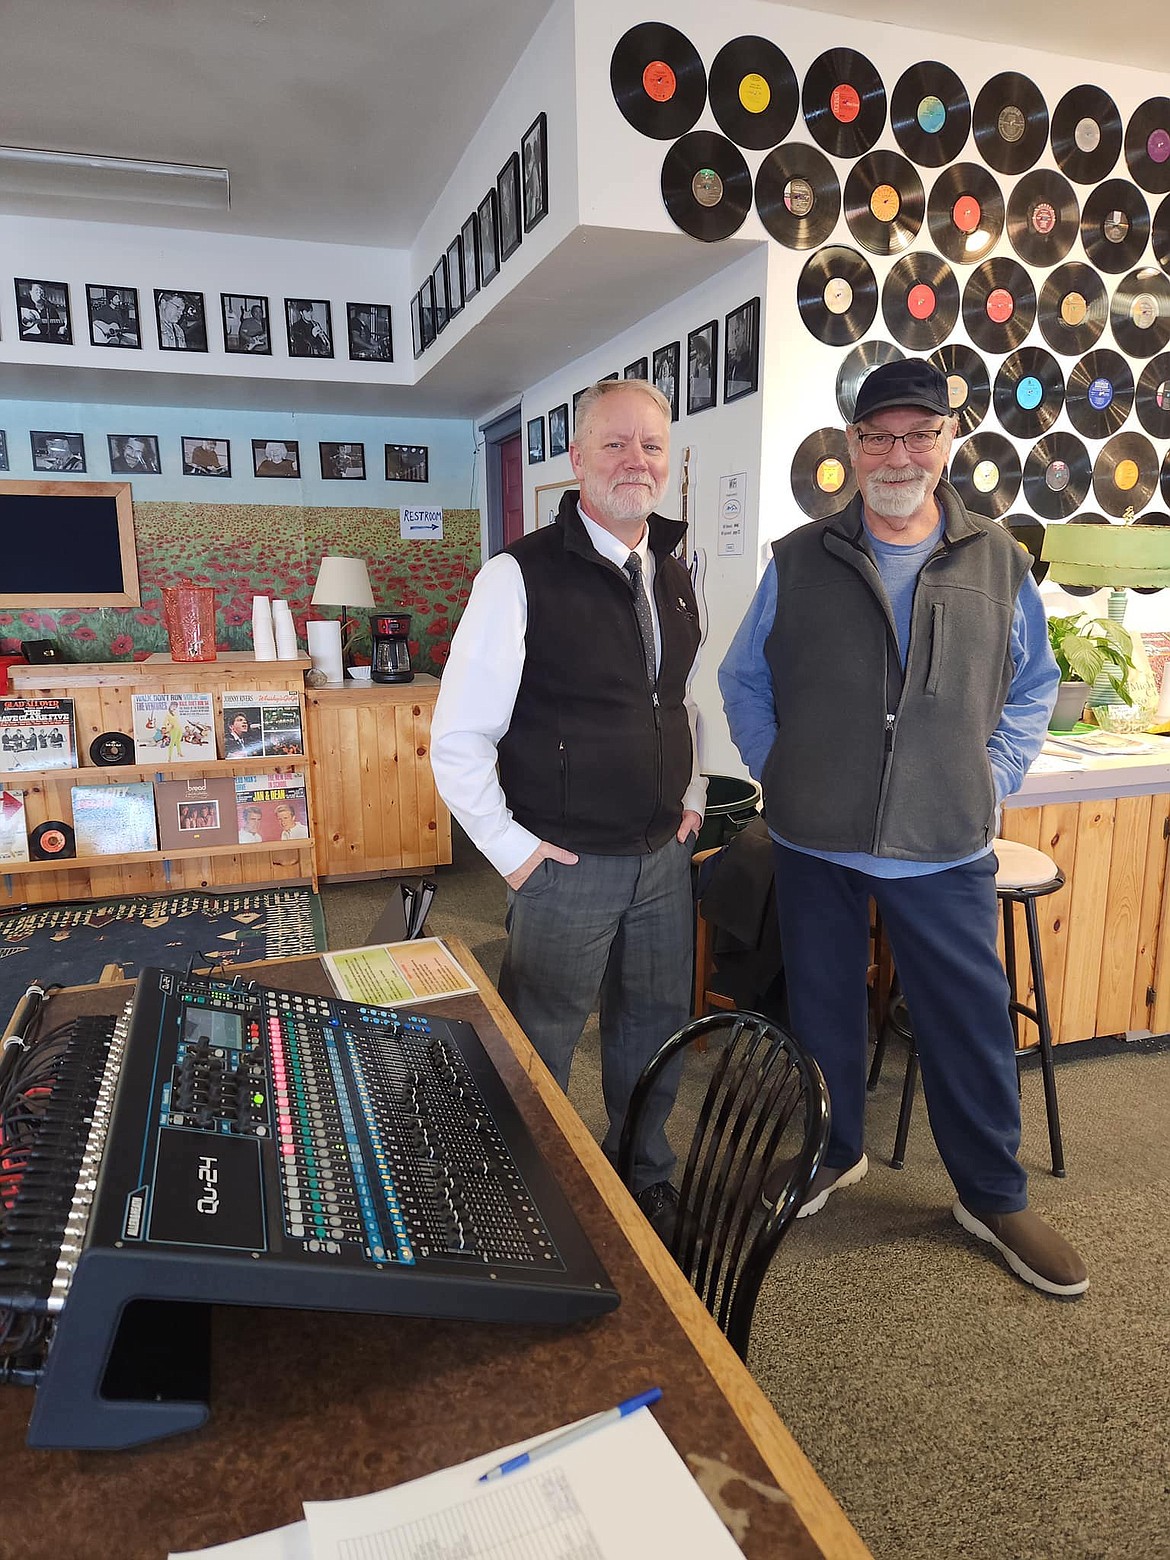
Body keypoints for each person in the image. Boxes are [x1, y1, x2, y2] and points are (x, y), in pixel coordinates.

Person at [719, 357, 1087, 1298]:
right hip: (814, 840)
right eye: (879, 436)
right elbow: (743, 680)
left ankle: (992, 1195)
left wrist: (992, 775)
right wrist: (781, 768)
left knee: (966, 1022)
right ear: (853, 448)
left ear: (948, 442)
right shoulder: (799, 560)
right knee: (824, 1010)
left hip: (945, 842)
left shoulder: (999, 561)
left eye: (919, 434)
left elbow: (1035, 687)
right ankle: (833, 1151)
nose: (899, 454)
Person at [431, 379, 705, 1240]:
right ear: (578, 458)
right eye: (615, 445)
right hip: (564, 863)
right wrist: (511, 851)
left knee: (654, 1029)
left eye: (651, 447)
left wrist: (689, 797)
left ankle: (641, 1172)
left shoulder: (675, 567)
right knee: (540, 1036)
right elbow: (458, 739)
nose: (636, 461)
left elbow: (680, 703)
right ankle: (526, 1185)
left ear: (670, 462)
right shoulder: (516, 577)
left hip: (662, 856)